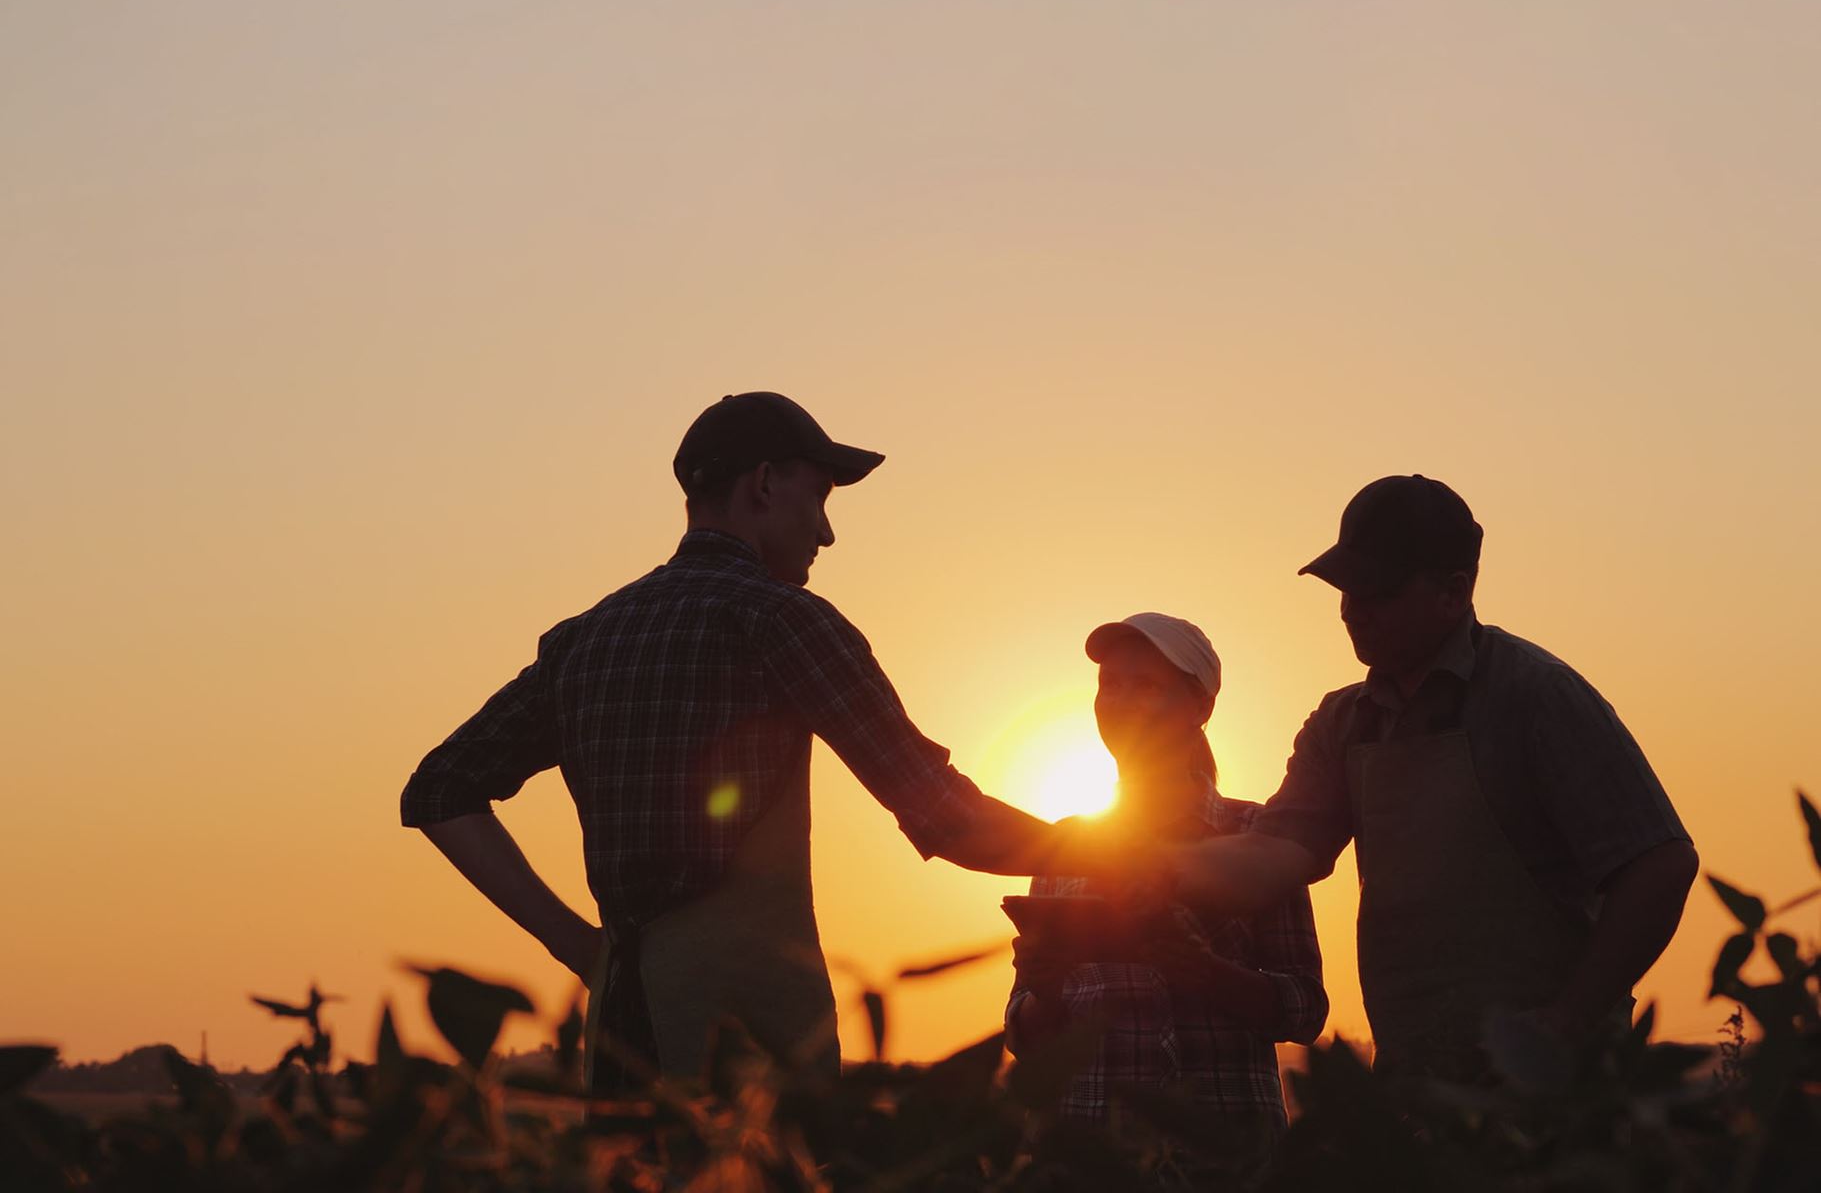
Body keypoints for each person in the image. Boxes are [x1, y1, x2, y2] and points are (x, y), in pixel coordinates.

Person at [399, 392, 1126, 1089]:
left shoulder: (583, 641)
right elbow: (948, 817)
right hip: (750, 1054)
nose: (826, 531)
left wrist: (578, 946)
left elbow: (439, 789)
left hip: (619, 1036)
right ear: (765, 484)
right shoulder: (781, 620)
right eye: (819, 498)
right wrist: (1127, 863)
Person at [1167, 476, 1698, 1080]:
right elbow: (1273, 854)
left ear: (1456, 591)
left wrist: (1566, 1024)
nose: (1351, 608)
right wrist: (1137, 864)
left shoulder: (1537, 696)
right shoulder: (1343, 724)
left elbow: (1661, 865)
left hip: (1557, 1097)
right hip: (1415, 1086)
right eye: (1344, 586)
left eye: (1377, 589)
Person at [1005, 613, 1327, 1145]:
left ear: (1201, 707)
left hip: (1228, 1155)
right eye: (1110, 684)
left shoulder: (1257, 836)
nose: (1121, 700)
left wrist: (1203, 971)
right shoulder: (1063, 846)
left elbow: (1305, 1010)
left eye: (1147, 685)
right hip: (1092, 1155)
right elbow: (1024, 1032)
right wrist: (1045, 985)